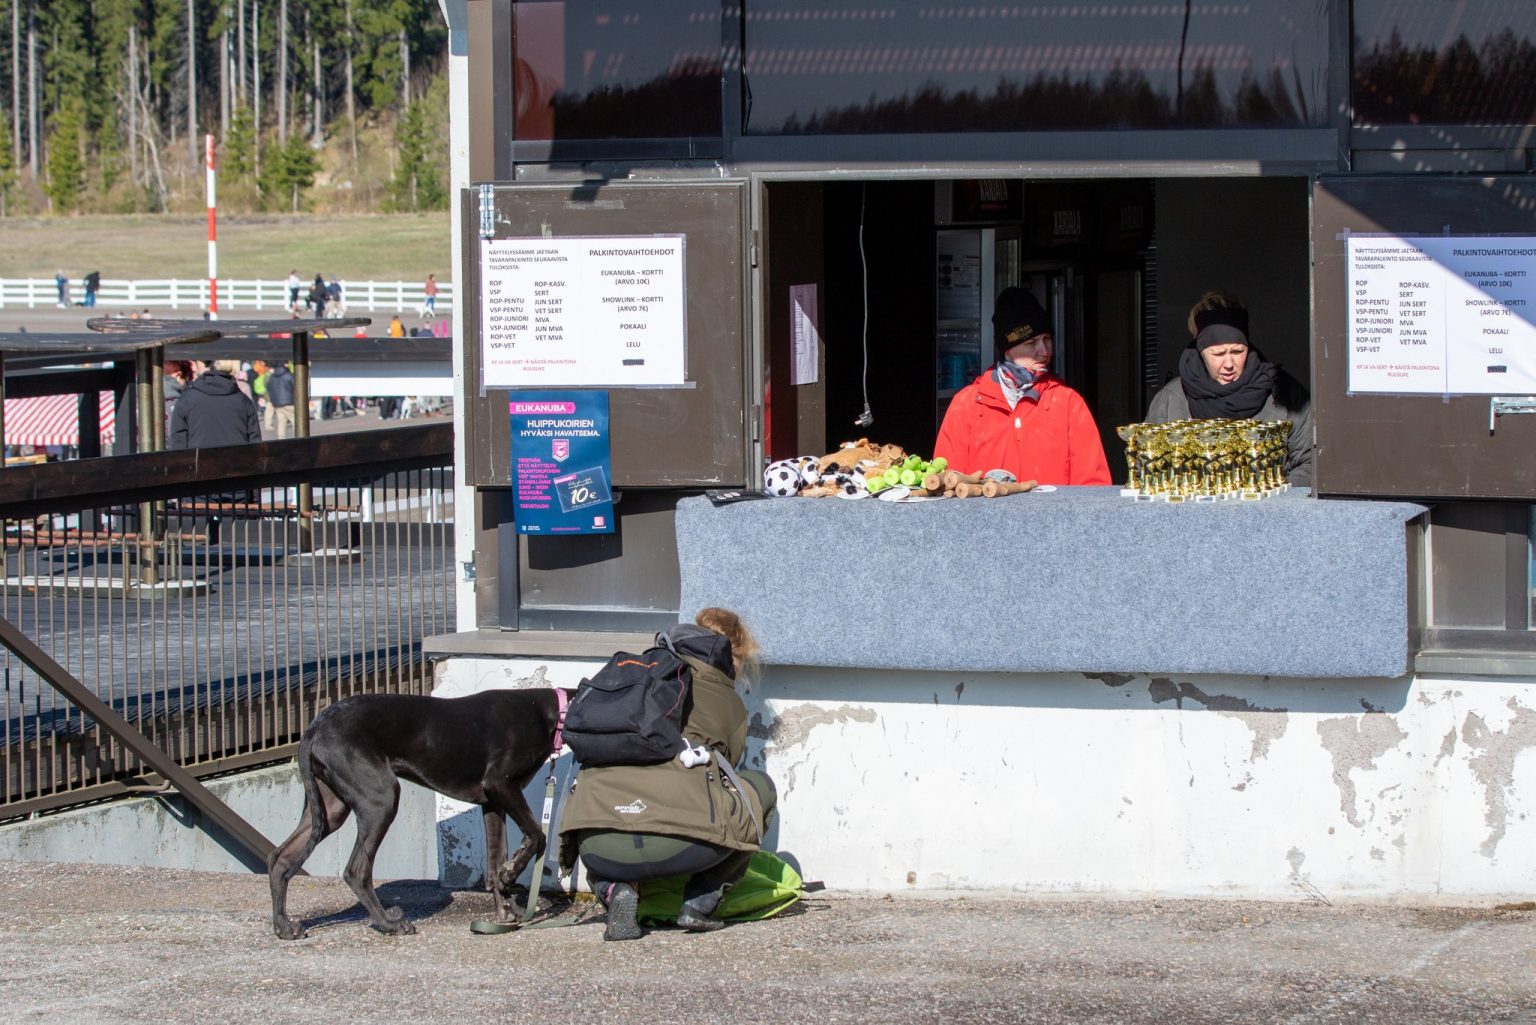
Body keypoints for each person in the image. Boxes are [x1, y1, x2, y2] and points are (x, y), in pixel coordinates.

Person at [558, 607, 776, 941]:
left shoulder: (635, 676)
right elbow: (727, 777)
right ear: (734, 657)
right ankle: (699, 902)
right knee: (759, 788)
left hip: (599, 845)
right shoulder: (727, 700)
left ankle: (614, 889)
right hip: (685, 848)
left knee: (602, 818)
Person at [934, 287, 1111, 486]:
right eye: (1031, 342)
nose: (1044, 351)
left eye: (1047, 339)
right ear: (1008, 348)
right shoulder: (967, 404)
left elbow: (1093, 487)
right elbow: (946, 485)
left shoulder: (1068, 403)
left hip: (1055, 518)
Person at [1145, 292, 1313, 487]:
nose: (1229, 363)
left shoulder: (1284, 393)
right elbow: (1148, 467)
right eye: (1218, 354)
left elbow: (1310, 464)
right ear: (1200, 352)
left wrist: (1267, 493)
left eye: (1237, 351)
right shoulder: (1171, 399)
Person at [167, 360, 262, 450]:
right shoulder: (243, 401)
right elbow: (255, 443)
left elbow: (178, 442)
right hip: (236, 463)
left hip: (198, 464)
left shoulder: (186, 400)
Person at [265, 361, 297, 439]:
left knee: (281, 423)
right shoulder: (289, 375)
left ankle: (281, 439)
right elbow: (296, 388)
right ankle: (299, 438)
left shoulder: (272, 376)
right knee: (295, 421)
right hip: (289, 402)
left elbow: (268, 388)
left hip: (277, 403)